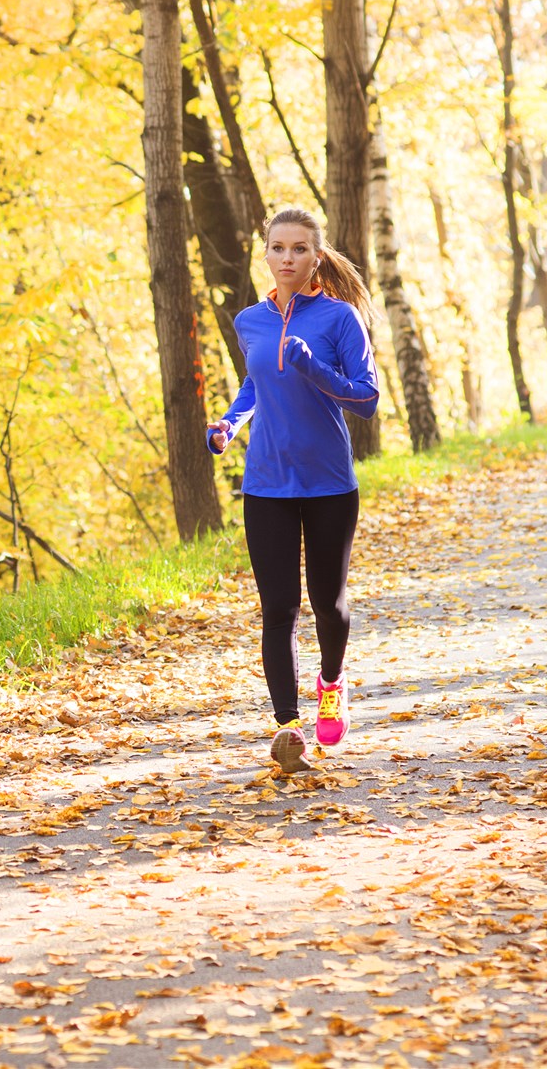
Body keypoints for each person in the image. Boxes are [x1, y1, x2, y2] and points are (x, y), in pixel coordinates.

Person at [207, 208, 380, 775]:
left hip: (329, 482)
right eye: (278, 248)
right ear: (266, 254)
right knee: (277, 608)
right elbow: (257, 382)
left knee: (327, 604)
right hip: (266, 484)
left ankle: (331, 684)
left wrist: (314, 370)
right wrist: (230, 424)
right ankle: (288, 730)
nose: (288, 258)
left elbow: (365, 398)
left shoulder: (340, 320)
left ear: (316, 257)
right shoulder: (249, 320)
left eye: (299, 249)